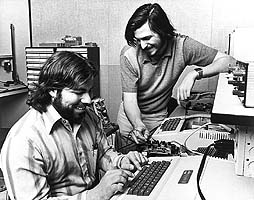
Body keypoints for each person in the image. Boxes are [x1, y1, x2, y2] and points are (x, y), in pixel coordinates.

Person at [0, 51, 148, 200]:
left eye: (89, 91)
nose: (88, 100)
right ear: (52, 90)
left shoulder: (88, 116)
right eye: (79, 92)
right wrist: (95, 195)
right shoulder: (23, 142)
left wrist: (121, 162)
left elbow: (103, 153)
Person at [116, 3, 236, 152]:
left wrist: (195, 74)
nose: (142, 45)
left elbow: (229, 61)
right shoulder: (129, 54)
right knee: (127, 168)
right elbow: (129, 99)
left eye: (147, 38)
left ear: (162, 31)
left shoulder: (182, 46)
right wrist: (137, 125)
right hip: (131, 121)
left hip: (158, 117)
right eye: (138, 40)